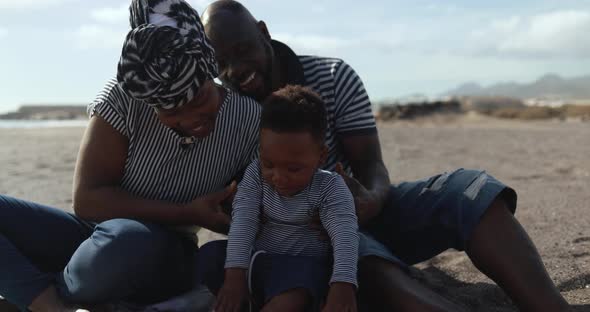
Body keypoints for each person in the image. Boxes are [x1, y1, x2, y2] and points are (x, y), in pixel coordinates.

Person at [198, 1, 571, 311]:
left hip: (363, 211)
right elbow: (231, 205)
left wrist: (371, 198)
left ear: (263, 32)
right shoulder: (223, 112)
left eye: (243, 50)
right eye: (221, 63)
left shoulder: (333, 76)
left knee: (470, 190)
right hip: (299, 246)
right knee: (355, 251)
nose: (236, 70)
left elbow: (372, 166)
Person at [0, 0, 261, 310]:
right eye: (173, 110)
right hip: (96, 238)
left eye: (200, 98)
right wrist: (188, 212)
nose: (192, 117)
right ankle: (49, 303)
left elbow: (251, 207)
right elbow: (87, 200)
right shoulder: (125, 96)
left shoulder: (248, 119)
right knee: (115, 244)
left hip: (162, 253)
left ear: (210, 71)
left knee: (126, 244)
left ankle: (34, 295)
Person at [214, 85, 358, 312]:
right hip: (259, 262)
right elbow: (243, 221)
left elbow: (345, 237)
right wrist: (234, 276)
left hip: (302, 272)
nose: (278, 177)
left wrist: (342, 285)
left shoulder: (330, 186)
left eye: (293, 168)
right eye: (269, 164)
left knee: (297, 289)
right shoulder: (255, 174)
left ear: (321, 157)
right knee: (209, 256)